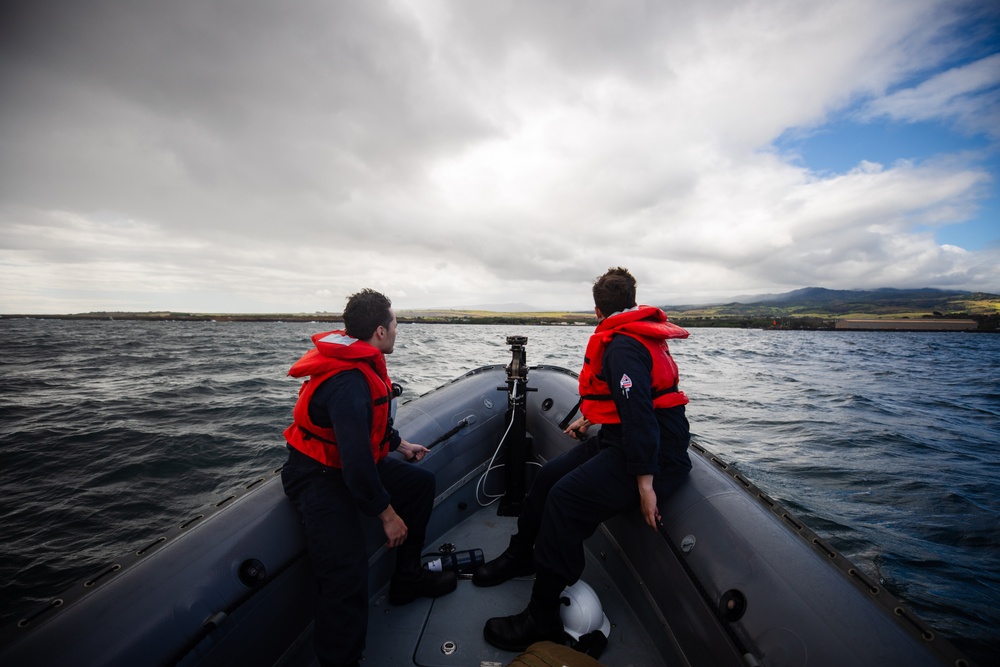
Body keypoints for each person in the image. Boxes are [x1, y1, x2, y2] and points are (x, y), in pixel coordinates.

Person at [477, 267, 692, 651]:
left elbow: (641, 414)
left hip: (654, 452)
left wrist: (646, 485)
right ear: (632, 301)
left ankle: (540, 618)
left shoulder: (623, 346)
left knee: (564, 499)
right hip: (622, 438)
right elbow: (627, 398)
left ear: (596, 310)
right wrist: (589, 417)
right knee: (547, 480)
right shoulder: (628, 335)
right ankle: (520, 555)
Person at [281, 288, 456, 667]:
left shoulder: (361, 368)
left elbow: (367, 430)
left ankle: (406, 580)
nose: (397, 331)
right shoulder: (349, 383)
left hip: (345, 465)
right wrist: (387, 515)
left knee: (419, 484)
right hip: (318, 476)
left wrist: (399, 444)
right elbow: (357, 464)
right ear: (379, 331)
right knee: (345, 575)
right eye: (394, 324)